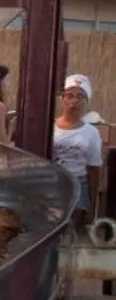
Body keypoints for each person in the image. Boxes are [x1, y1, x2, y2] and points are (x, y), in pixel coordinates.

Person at [53, 74, 104, 228]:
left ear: (85, 101)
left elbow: (93, 170)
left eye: (80, 96)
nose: (73, 101)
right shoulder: (50, 127)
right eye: (69, 95)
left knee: (71, 232)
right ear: (62, 98)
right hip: (52, 183)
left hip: (78, 185)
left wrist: (92, 205)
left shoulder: (91, 133)